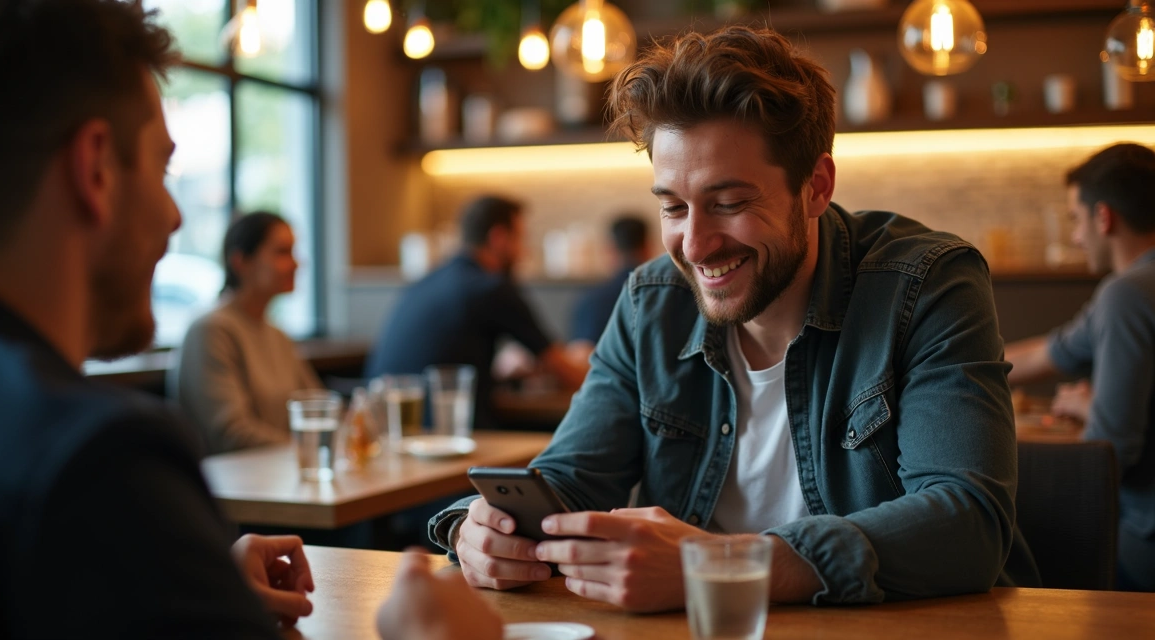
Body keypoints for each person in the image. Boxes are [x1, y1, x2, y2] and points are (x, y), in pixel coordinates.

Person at [428, 25, 1039, 610]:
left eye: (729, 204)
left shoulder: (928, 283)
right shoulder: (651, 300)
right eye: (673, 207)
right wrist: (478, 533)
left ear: (816, 186)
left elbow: (967, 520)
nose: (694, 246)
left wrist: (716, 567)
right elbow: (569, 478)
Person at [0, 1, 313, 636]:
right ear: (96, 168)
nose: (174, 217)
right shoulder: (96, 466)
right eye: (163, 168)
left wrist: (181, 569)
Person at [1005, 143, 1155, 592]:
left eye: (1075, 219)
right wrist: (943, 361)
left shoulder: (1126, 295)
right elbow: (1048, 352)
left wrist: (1095, 410)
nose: (1075, 237)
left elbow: (1112, 451)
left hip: (1144, 544)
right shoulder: (1129, 292)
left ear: (1104, 217)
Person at [365, 195, 587, 431]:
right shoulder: (491, 287)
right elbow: (565, 371)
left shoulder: (427, 281)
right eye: (521, 239)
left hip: (385, 430)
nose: (525, 252)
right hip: (447, 436)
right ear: (499, 237)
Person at [171, 211, 321, 454]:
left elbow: (318, 405)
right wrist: (310, 450)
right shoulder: (211, 331)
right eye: (283, 253)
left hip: (279, 479)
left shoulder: (277, 335)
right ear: (240, 262)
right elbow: (231, 434)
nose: (296, 264)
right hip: (234, 487)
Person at [569, 215, 653, 349]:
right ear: (648, 247)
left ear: (610, 250)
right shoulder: (667, 297)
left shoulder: (591, 302)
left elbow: (582, 355)